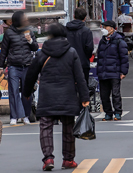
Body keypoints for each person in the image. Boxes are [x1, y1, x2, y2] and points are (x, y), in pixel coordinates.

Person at [23, 23, 90, 171]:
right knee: (68, 127)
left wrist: (26, 93)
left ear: (50, 35)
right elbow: (80, 77)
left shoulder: (42, 53)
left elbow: (31, 75)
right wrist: (84, 97)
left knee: (46, 126)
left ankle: (48, 159)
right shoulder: (71, 52)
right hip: (68, 95)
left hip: (47, 95)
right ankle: (68, 160)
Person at [0, 10, 39, 125]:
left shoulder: (29, 30)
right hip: (13, 66)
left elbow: (35, 48)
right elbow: (4, 50)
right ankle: (14, 116)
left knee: (27, 92)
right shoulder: (9, 33)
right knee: (13, 91)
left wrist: (30, 40)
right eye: (24, 18)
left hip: (27, 65)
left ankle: (25, 115)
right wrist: (1, 66)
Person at [95, 20, 129, 121]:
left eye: (106, 27)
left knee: (115, 93)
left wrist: (123, 72)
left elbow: (124, 58)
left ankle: (118, 112)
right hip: (103, 72)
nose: (104, 29)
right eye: (103, 26)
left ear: (112, 28)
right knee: (104, 95)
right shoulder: (102, 41)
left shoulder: (119, 41)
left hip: (115, 72)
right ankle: (108, 113)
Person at [66, 7, 94, 85]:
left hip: (67, 63)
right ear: (85, 18)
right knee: (83, 87)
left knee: (69, 88)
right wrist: (86, 57)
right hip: (83, 63)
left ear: (74, 16)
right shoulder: (86, 31)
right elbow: (89, 48)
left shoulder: (66, 29)